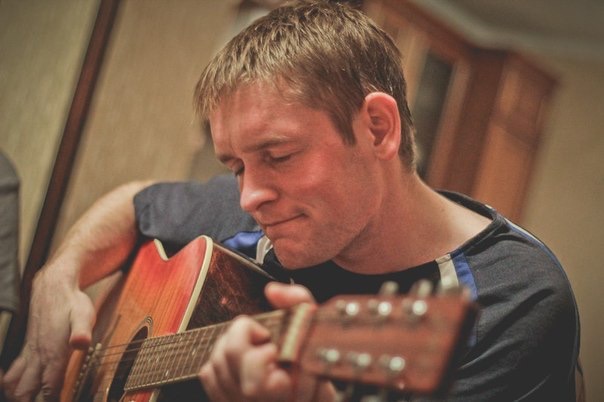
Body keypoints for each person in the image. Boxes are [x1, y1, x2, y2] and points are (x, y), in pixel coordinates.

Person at [3, 1, 581, 401]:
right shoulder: (261, 213)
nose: (250, 195)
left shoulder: (511, 299)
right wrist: (59, 276)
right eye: (235, 166)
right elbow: (134, 204)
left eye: (278, 155)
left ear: (378, 128)